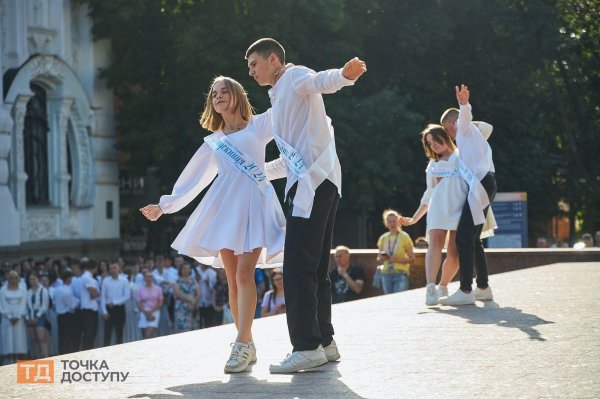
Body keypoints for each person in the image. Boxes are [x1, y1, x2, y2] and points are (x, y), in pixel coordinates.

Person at [140, 75, 285, 373]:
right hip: (225, 208)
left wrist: (289, 76)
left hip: (255, 204)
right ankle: (246, 342)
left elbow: (285, 103)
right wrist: (165, 207)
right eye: (214, 93)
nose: (217, 96)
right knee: (232, 278)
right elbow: (192, 180)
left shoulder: (259, 126)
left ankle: (241, 345)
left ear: (236, 96)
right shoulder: (214, 141)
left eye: (224, 91)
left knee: (246, 273)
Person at [246, 37, 366, 373]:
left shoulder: (293, 76)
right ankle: (324, 342)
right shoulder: (280, 95)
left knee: (297, 266)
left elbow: (320, 81)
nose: (251, 72)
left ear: (273, 60)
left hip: (312, 186)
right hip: (320, 182)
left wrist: (344, 75)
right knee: (313, 267)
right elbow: (289, 160)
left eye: (254, 64)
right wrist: (258, 174)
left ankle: (306, 345)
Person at [439, 85, 497, 305]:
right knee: (473, 239)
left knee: (464, 237)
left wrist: (464, 104)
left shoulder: (464, 130)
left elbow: (464, 119)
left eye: (447, 129)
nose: (448, 134)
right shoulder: (470, 136)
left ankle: (466, 290)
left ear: (453, 125)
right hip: (483, 185)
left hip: (482, 185)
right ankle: (482, 287)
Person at [401, 125, 469, 305]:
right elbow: (429, 194)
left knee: (455, 254)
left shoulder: (461, 156)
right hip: (438, 210)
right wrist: (415, 218)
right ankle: (430, 287)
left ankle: (443, 285)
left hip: (459, 210)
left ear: (445, 136)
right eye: (429, 144)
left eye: (435, 140)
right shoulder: (432, 166)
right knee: (435, 243)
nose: (434, 145)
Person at [377, 209, 415, 294]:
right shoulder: (383, 238)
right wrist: (383, 257)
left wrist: (396, 260)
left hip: (401, 274)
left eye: (394, 221)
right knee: (389, 302)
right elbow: (378, 258)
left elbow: (412, 259)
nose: (392, 224)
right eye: (389, 222)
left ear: (398, 222)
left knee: (399, 300)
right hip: (386, 274)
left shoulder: (404, 237)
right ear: (386, 223)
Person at [0, 271, 27, 364]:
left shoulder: (22, 289)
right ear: (8, 279)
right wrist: (9, 316)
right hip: (7, 318)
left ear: (18, 279)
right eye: (11, 278)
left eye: (15, 278)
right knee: (8, 338)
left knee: (18, 338)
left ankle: (17, 359)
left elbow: (23, 304)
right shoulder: (3, 290)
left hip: (19, 317)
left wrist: (18, 316)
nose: (13, 280)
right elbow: (2, 304)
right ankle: (9, 360)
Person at [100, 263, 130, 346]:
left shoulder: (124, 280)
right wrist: (104, 311)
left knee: (119, 332)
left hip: (119, 309)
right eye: (111, 268)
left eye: (115, 268)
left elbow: (127, 296)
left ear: (119, 269)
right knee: (107, 333)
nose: (113, 270)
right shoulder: (105, 281)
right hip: (108, 309)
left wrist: (115, 302)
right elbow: (103, 297)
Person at [53, 270, 80, 354]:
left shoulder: (57, 290)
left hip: (59, 316)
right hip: (67, 316)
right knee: (68, 337)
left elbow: (54, 302)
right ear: (68, 279)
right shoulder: (67, 290)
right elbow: (72, 306)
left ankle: (61, 354)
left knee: (61, 337)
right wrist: (78, 302)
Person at [26, 273, 50, 358]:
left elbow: (45, 305)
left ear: (38, 279)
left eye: (34, 278)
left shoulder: (43, 290)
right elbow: (26, 306)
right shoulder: (28, 292)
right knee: (34, 340)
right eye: (30, 279)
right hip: (30, 316)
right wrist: (28, 318)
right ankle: (38, 358)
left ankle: (46, 358)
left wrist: (37, 317)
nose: (32, 281)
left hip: (40, 315)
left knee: (42, 338)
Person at [172, 262, 199, 333]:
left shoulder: (193, 280)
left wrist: (194, 302)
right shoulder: (176, 281)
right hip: (181, 309)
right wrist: (190, 300)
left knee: (194, 330)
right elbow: (178, 294)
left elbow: (198, 294)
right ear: (180, 270)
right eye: (184, 268)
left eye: (188, 268)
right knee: (182, 331)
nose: (186, 270)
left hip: (193, 307)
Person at [136, 271, 163, 339]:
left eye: (151, 276)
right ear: (144, 278)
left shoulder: (158, 289)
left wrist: (151, 311)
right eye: (147, 276)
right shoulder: (140, 290)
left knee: (148, 333)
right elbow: (138, 303)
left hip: (155, 312)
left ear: (153, 278)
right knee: (147, 335)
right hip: (143, 312)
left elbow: (160, 303)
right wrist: (145, 311)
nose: (149, 278)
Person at [194, 262, 217, 328]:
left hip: (209, 302)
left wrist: (208, 284)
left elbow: (215, 289)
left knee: (209, 323)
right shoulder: (194, 271)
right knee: (198, 324)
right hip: (197, 302)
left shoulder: (213, 273)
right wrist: (197, 280)